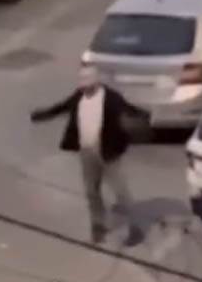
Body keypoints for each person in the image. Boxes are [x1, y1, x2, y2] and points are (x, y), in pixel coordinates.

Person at [30, 64, 150, 246]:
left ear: (96, 81)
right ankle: (98, 228)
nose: (83, 85)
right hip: (87, 153)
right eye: (81, 81)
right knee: (91, 192)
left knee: (121, 193)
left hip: (108, 153)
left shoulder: (111, 98)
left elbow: (130, 110)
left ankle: (136, 229)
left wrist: (144, 118)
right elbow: (61, 107)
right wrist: (42, 115)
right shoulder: (79, 96)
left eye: (86, 81)